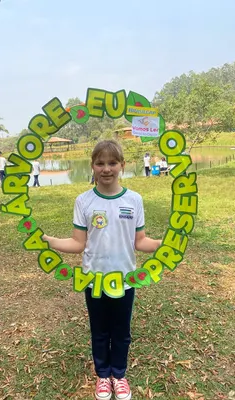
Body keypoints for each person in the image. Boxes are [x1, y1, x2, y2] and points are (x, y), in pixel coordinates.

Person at [42, 140, 162, 400]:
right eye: (100, 163)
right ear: (92, 166)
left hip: (125, 281)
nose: (106, 169)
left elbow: (140, 241)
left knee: (121, 331)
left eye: (112, 163)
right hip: (93, 281)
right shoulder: (83, 201)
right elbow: (78, 243)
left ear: (122, 165)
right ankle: (103, 377)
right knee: (100, 331)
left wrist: (165, 244)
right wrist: (50, 241)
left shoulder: (134, 199)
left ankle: (119, 375)